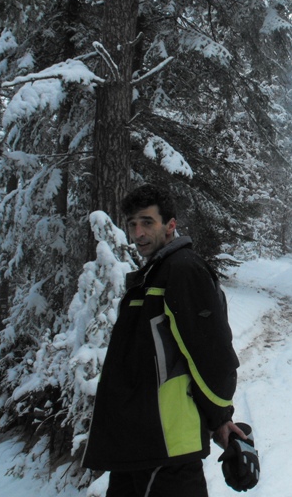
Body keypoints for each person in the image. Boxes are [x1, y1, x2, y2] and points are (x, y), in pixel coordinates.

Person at [83, 184, 245, 497]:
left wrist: (220, 418)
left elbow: (210, 354)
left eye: (147, 222)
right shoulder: (152, 276)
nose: (138, 233)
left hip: (166, 446)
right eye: (132, 224)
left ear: (170, 225)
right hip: (135, 447)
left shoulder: (183, 270)